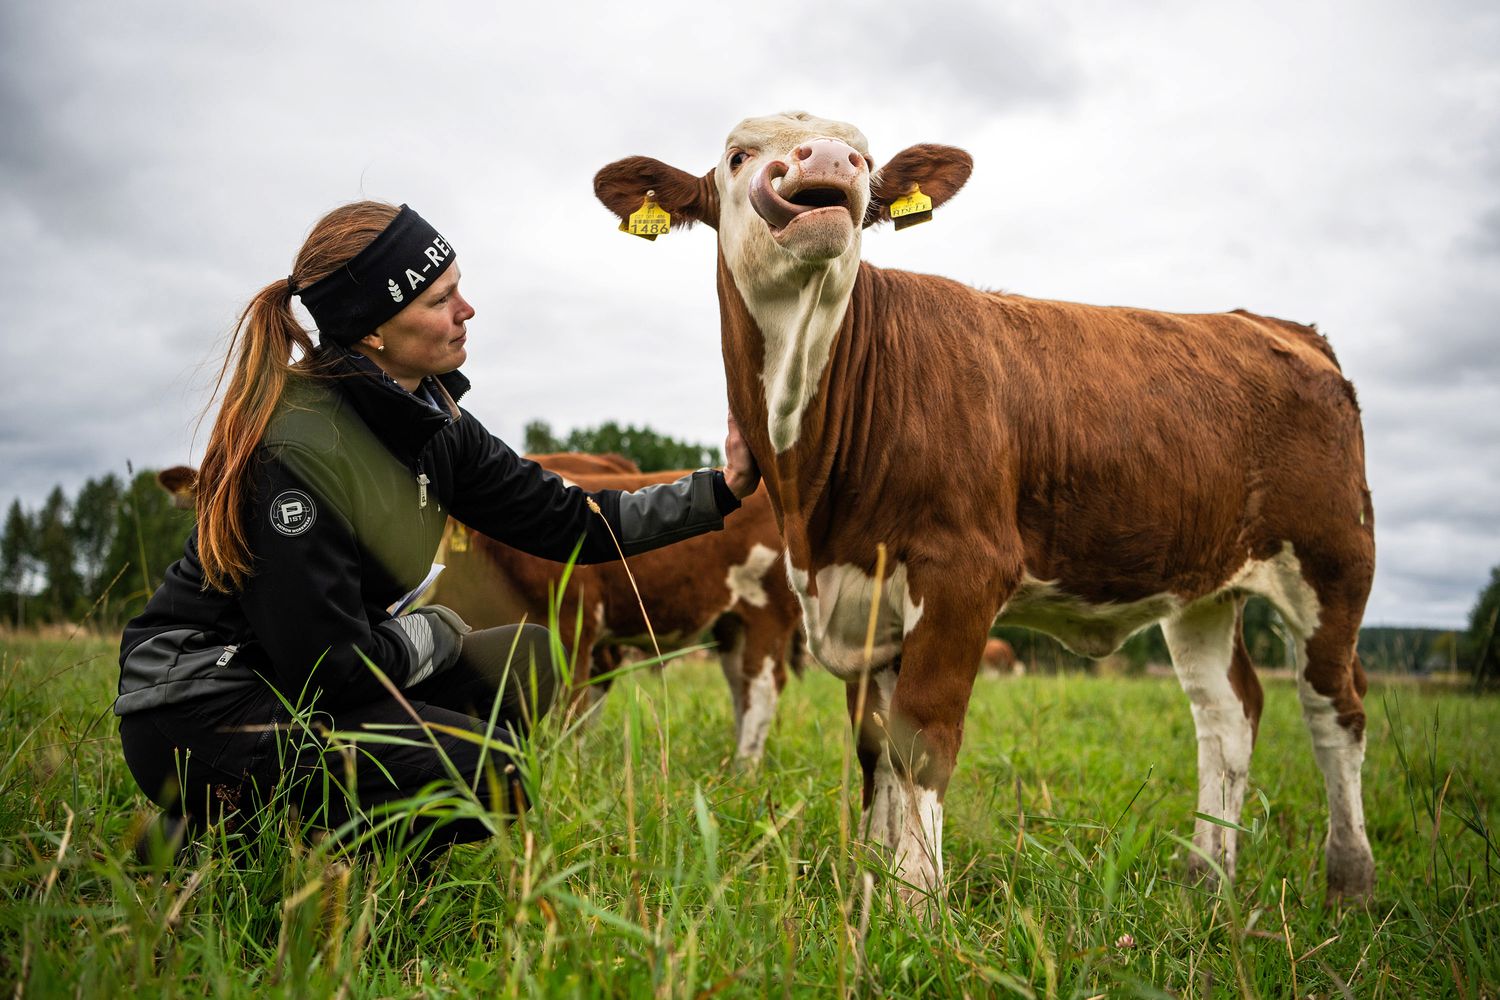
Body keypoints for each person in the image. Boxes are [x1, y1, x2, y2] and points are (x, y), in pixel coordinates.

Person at [117, 201, 760, 862]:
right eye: (440, 298)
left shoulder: (433, 420)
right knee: (496, 771)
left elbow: (570, 521)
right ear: (373, 331)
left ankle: (385, 873)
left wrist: (722, 488)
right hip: (206, 710)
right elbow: (331, 668)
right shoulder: (299, 450)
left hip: (310, 686)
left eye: (459, 288)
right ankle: (201, 836)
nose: (467, 310)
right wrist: (435, 632)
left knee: (531, 659)